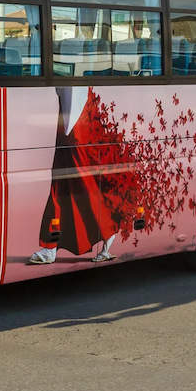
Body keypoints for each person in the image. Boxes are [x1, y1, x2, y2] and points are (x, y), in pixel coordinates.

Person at [29, 86, 122, 265]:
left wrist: (69, 134)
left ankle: (107, 231)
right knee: (64, 188)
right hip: (71, 127)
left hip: (73, 129)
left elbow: (71, 96)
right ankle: (51, 246)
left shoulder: (73, 74)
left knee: (78, 186)